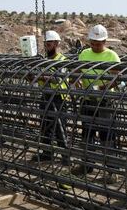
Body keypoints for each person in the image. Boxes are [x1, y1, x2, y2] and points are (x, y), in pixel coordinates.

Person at [71, 24, 121, 184]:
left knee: (107, 136)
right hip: (88, 100)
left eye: (98, 43)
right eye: (92, 42)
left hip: (104, 101)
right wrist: (76, 80)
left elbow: (118, 78)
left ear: (105, 41)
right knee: (87, 134)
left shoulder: (112, 56)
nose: (95, 46)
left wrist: (102, 88)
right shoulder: (84, 53)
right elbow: (77, 72)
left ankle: (112, 171)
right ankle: (86, 165)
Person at [31, 30, 70, 165]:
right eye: (46, 43)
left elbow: (57, 79)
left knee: (60, 128)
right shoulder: (43, 60)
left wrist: (40, 76)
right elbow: (34, 76)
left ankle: (65, 157)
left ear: (57, 44)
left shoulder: (62, 60)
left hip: (58, 98)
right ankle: (47, 154)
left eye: (50, 43)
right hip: (45, 95)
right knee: (45, 127)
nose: (47, 45)